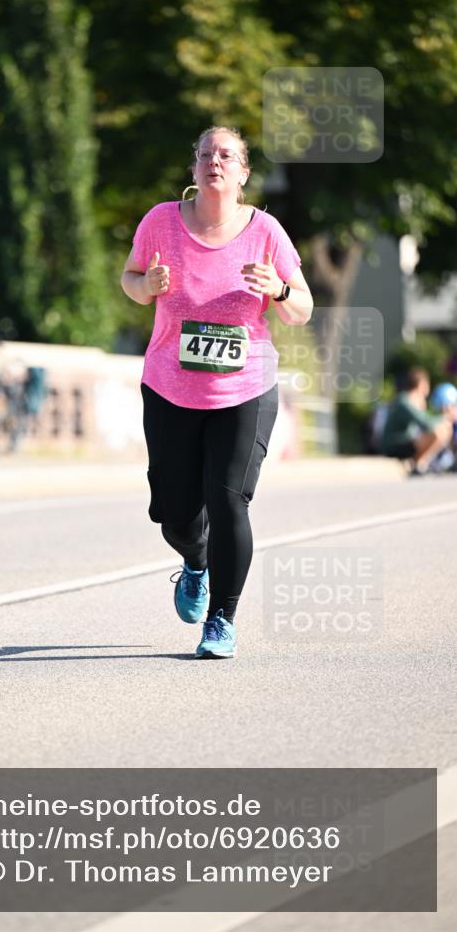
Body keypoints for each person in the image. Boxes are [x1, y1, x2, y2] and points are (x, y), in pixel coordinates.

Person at [120, 125, 313, 660]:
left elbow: (302, 307)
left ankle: (221, 619)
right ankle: (196, 561)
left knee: (229, 501)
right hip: (169, 386)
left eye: (226, 155)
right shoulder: (161, 222)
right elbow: (130, 279)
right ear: (194, 168)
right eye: (206, 154)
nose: (215, 162)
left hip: (246, 387)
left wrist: (276, 289)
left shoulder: (266, 232)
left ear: (244, 171)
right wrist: (146, 287)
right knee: (175, 512)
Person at [380, 367, 455, 475]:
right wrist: (446, 416)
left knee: (444, 429)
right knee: (438, 432)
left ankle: (422, 463)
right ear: (421, 384)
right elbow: (427, 424)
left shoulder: (414, 400)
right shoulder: (404, 402)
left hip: (406, 441)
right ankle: (419, 465)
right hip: (394, 445)